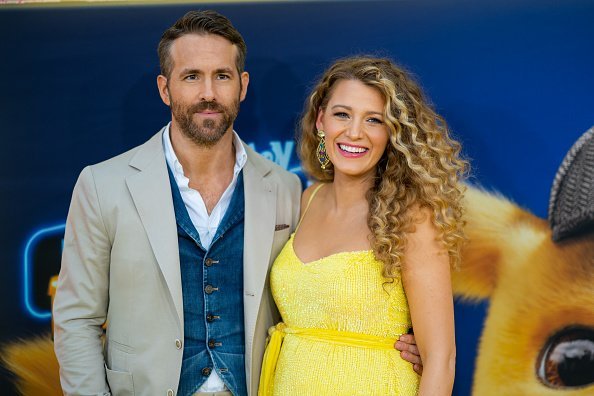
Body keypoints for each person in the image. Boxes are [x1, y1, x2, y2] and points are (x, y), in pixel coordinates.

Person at [52, 10, 423, 396]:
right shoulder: (103, 185)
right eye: (192, 76)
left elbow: (307, 295)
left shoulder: (284, 187)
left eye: (222, 76)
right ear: (165, 89)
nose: (208, 93)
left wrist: (395, 345)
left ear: (242, 86)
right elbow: (77, 319)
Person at [259, 56, 467, 395]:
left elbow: (441, 359)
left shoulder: (413, 218)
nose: (354, 132)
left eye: (374, 120)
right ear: (320, 120)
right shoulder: (306, 199)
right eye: (342, 114)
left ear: (393, 133)